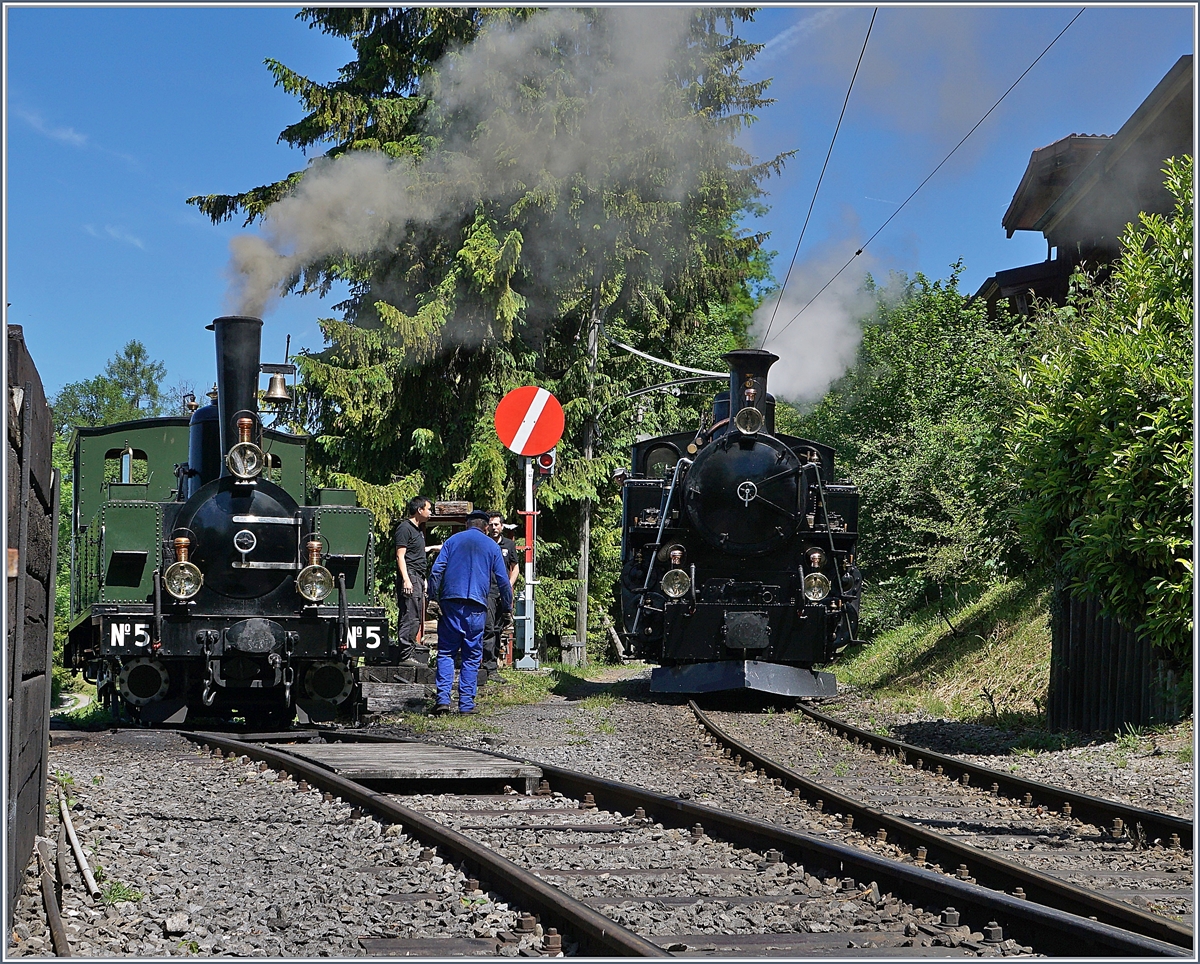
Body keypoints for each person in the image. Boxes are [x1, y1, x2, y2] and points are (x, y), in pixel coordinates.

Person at [427, 510, 513, 714]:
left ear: (467, 525)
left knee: (446, 652)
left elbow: (436, 570)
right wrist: (507, 608)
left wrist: (433, 597)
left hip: (450, 604)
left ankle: (442, 701)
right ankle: (466, 705)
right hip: (477, 606)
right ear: (485, 527)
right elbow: (503, 580)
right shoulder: (492, 546)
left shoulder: (452, 541)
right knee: (472, 655)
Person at [482, 511, 520, 680]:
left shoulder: (508, 545)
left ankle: (493, 664)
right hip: (487, 591)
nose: (494, 527)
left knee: (498, 629)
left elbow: (515, 567)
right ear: (487, 526)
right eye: (491, 524)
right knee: (488, 628)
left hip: (503, 593)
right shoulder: (484, 543)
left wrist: (509, 586)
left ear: (502, 526)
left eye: (497, 524)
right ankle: (487, 667)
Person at [394, 495, 432, 664]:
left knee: (415, 615)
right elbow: (400, 556)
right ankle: (405, 655)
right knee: (409, 615)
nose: (431, 512)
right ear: (419, 510)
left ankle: (411, 649)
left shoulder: (418, 530)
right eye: (428, 509)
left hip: (417, 576)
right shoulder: (404, 528)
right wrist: (406, 579)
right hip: (409, 575)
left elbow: (416, 553)